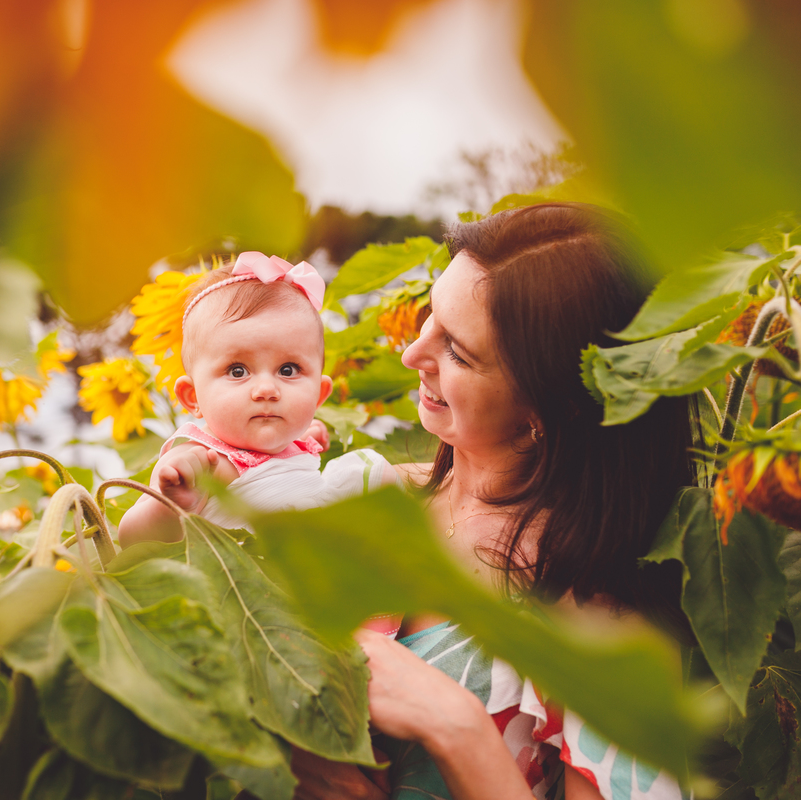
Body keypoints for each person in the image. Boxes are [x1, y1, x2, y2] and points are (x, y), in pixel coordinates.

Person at [290, 203, 695, 800]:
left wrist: (457, 729)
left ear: (549, 411)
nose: (412, 355)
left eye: (457, 351)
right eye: (429, 316)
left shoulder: (595, 628)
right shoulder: (370, 494)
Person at [118, 251, 392, 544]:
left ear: (319, 396)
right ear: (192, 396)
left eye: (288, 370)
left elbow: (283, 469)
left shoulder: (290, 439)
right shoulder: (198, 462)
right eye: (237, 371)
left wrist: (301, 436)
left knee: (379, 479)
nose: (266, 389)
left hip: (316, 556)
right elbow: (133, 540)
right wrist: (169, 504)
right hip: (247, 577)